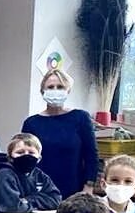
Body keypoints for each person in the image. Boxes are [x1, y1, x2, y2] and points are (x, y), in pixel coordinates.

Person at [21, 68, 97, 197]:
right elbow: (25, 159)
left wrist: (88, 186)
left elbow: (91, 155)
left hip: (74, 190)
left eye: (60, 87)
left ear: (68, 91)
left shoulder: (81, 118)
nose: (55, 90)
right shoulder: (31, 123)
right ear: (42, 91)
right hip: (39, 191)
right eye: (50, 87)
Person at [0, 132, 62, 213]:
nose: (26, 156)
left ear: (39, 158)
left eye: (31, 153)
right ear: (10, 158)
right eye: (20, 152)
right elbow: (12, 207)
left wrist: (29, 200)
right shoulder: (4, 175)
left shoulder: (40, 175)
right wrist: (39, 203)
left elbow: (56, 200)